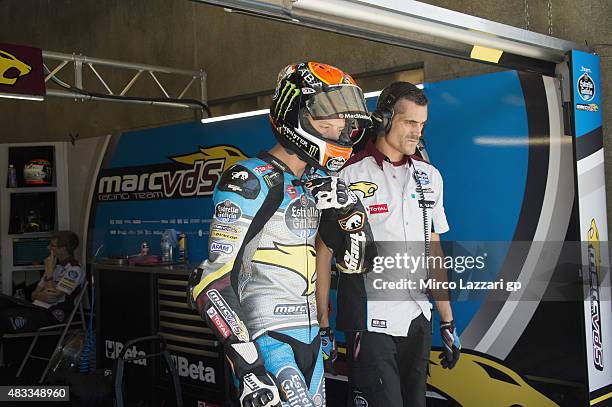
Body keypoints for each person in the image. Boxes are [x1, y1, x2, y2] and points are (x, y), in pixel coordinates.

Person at [187, 62, 375, 407]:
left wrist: (352, 212)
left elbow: (358, 264)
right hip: (265, 338)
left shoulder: (319, 184)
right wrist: (248, 368)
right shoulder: (249, 179)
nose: (339, 129)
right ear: (294, 116)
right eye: (326, 119)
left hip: (310, 342)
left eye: (343, 122)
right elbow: (209, 282)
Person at [316, 82, 461, 407]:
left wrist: (448, 319)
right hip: (369, 321)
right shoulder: (348, 176)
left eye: (422, 125)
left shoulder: (430, 176)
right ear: (383, 119)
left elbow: (433, 250)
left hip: (418, 318)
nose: (417, 132)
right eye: (411, 122)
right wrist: (323, 325)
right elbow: (322, 254)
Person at [0, 230, 84, 336]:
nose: (48, 248)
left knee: (3, 318)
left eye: (52, 245)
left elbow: (53, 298)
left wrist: (49, 272)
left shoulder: (74, 270)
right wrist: (41, 295)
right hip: (35, 307)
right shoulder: (55, 265)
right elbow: (33, 294)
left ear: (63, 248)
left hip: (51, 313)